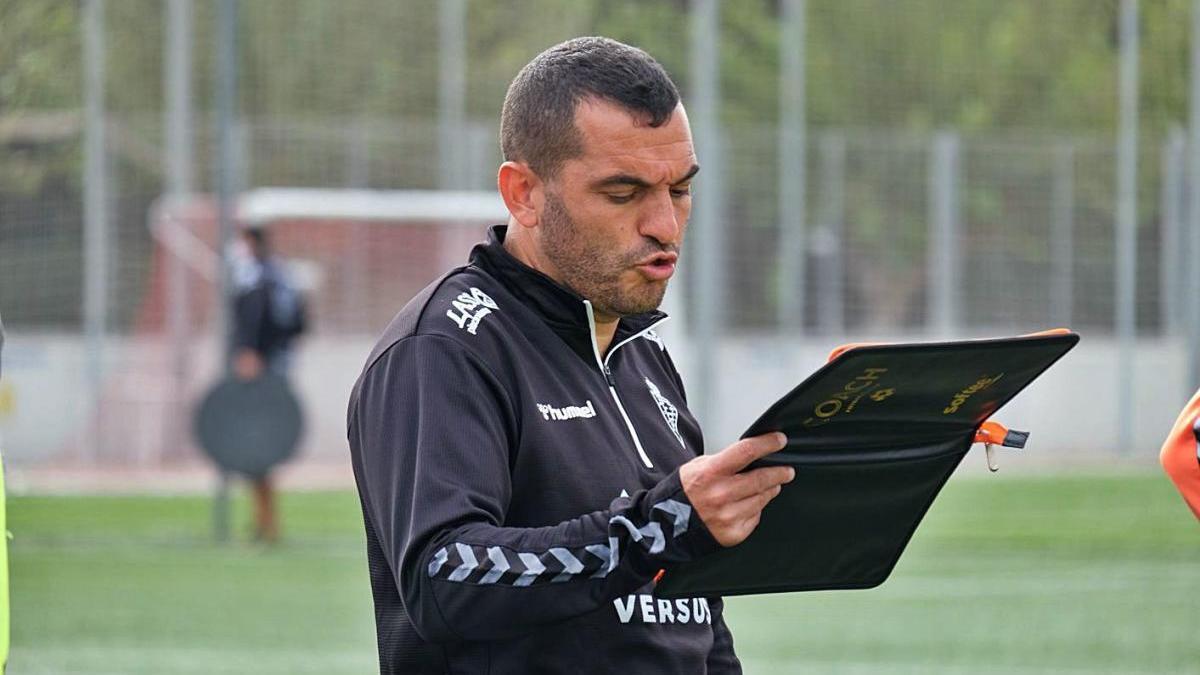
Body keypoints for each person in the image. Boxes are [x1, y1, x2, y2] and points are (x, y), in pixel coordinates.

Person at [347, 37, 793, 674]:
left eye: (681, 190)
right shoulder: (445, 347)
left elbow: (695, 620)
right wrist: (657, 526)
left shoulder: (641, 352)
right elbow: (444, 578)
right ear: (523, 193)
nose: (665, 225)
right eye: (623, 193)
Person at [230, 226, 307, 542]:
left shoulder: (259, 278)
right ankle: (263, 519)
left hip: (260, 371)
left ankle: (267, 523)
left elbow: (257, 320)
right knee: (259, 449)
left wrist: (252, 353)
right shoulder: (281, 276)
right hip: (275, 367)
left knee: (256, 446)